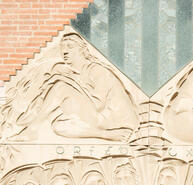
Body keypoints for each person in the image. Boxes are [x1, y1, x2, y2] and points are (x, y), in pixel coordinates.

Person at [11, 32, 139, 142]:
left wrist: (68, 80)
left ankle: (33, 129)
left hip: (114, 121)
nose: (64, 51)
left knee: (61, 87)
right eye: (62, 47)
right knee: (58, 126)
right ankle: (106, 135)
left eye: (70, 46)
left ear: (82, 50)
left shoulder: (97, 70)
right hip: (101, 124)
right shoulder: (75, 73)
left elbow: (98, 104)